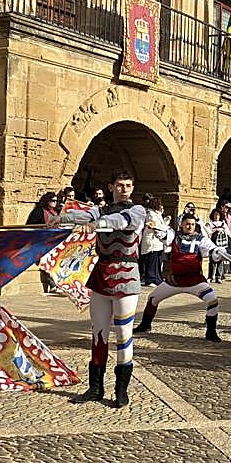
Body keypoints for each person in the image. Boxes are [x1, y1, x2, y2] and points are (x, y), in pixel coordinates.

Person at [55, 171, 147, 407]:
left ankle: (121, 390)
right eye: (119, 185)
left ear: (132, 188)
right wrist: (60, 219)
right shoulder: (101, 209)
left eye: (128, 185)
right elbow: (80, 214)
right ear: (111, 186)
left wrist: (96, 225)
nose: (123, 189)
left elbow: (123, 222)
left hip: (126, 276)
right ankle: (95, 387)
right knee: (98, 334)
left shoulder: (137, 211)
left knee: (124, 336)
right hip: (101, 275)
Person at [135, 213, 231, 342]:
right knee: (152, 298)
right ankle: (145, 325)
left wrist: (229, 257)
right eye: (187, 224)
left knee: (212, 301)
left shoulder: (201, 239)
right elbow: (163, 233)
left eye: (193, 224)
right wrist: (154, 227)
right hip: (175, 281)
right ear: (181, 224)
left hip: (195, 281)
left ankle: (211, 332)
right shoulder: (174, 236)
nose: (190, 227)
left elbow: (214, 249)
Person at [26, 191, 60, 293]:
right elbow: (30, 225)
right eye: (53, 201)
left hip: (55, 240)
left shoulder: (56, 212)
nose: (55, 203)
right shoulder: (39, 211)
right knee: (46, 260)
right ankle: (52, 284)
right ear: (47, 201)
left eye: (56, 201)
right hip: (42, 241)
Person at [139, 194, 167, 287]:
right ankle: (151, 279)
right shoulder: (150, 214)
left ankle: (157, 278)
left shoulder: (156, 214)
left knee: (157, 261)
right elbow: (154, 225)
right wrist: (164, 227)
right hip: (151, 240)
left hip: (157, 241)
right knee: (151, 261)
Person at [205, 208, 231, 283]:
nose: (216, 216)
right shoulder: (209, 224)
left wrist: (222, 230)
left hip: (221, 245)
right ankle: (210, 277)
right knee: (212, 261)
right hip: (212, 244)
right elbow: (208, 233)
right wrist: (215, 230)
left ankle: (218, 277)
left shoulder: (223, 224)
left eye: (218, 215)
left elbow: (228, 232)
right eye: (215, 214)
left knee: (220, 261)